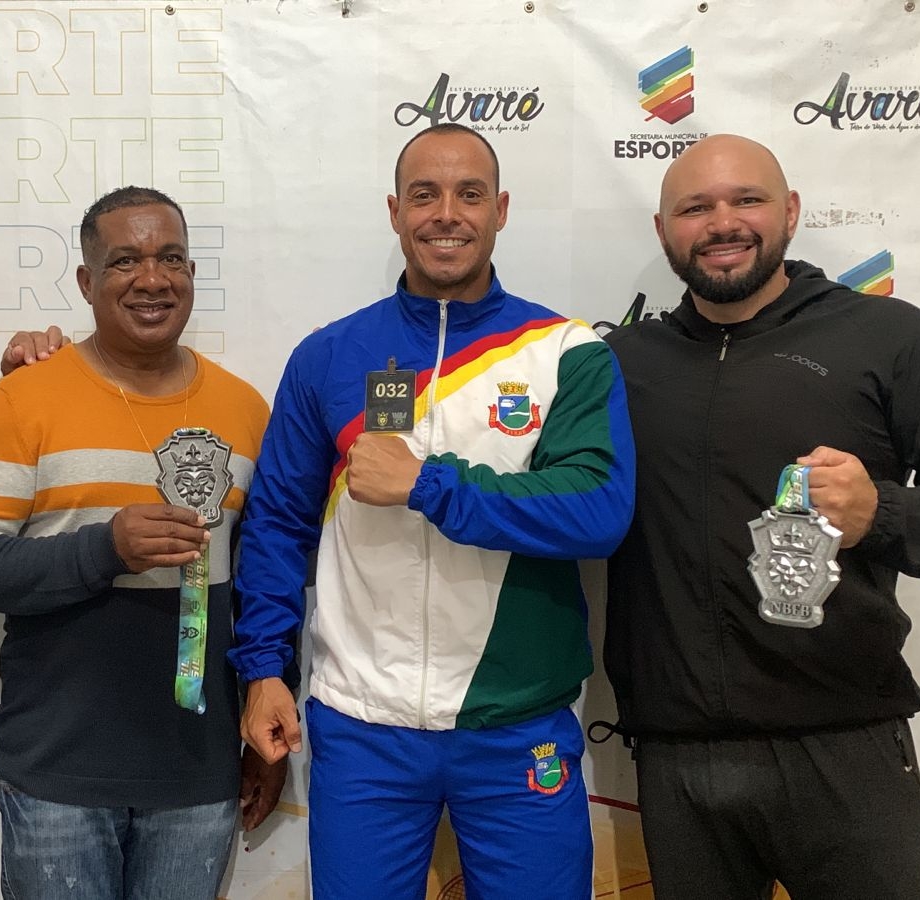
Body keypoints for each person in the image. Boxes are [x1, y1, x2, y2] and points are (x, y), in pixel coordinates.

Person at [601, 134, 920, 900]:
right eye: (695, 207)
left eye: (747, 200)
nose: (722, 222)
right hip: (679, 764)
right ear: (663, 229)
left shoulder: (886, 336)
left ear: (791, 212)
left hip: (848, 754)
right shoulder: (622, 363)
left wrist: (884, 512)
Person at [229, 123, 637, 899]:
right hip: (363, 727)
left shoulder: (567, 352)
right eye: (424, 194)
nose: (446, 213)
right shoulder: (330, 356)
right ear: (395, 212)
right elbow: (277, 525)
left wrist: (428, 485)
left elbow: (597, 510)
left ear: (500, 210)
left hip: (516, 723)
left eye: (469, 194)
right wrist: (262, 669)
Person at [0, 186, 287, 900]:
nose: (152, 278)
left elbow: (262, 586)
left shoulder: (245, 409)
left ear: (191, 274)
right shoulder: (25, 398)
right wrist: (105, 550)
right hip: (59, 774)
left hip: (198, 771)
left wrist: (262, 723)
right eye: (125, 260)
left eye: (171, 259)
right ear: (86, 282)